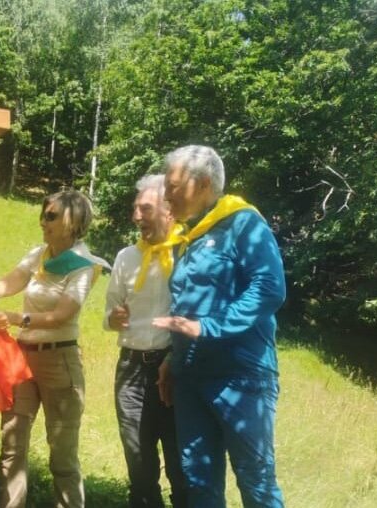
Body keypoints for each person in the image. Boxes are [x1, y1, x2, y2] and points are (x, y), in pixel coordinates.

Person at [152, 145, 286, 507]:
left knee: (255, 481)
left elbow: (269, 288)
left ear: (204, 183)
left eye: (174, 186)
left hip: (240, 377)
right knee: (198, 482)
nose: (166, 195)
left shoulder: (244, 224)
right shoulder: (187, 237)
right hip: (191, 378)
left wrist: (209, 327)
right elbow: (187, 305)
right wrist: (171, 356)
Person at [0, 189, 106, 508]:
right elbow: (11, 281)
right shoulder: (39, 253)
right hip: (21, 359)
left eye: (51, 215)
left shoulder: (83, 264)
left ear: (73, 220)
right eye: (42, 213)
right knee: (11, 448)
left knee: (63, 456)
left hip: (59, 361)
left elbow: (62, 315)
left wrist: (15, 317)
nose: (42, 221)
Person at [104, 174, 187, 507]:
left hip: (176, 367)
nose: (136, 216)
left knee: (182, 462)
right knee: (139, 462)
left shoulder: (188, 253)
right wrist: (113, 319)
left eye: (145, 208)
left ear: (168, 209)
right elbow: (109, 315)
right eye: (135, 208)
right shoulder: (126, 257)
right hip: (132, 370)